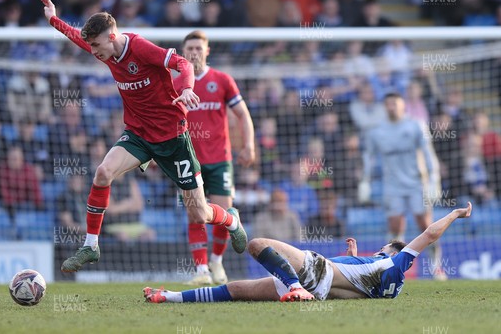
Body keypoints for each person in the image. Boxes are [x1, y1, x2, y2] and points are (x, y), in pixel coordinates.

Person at [40, 0, 248, 272]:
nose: (93, 51)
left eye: (97, 45)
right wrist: (54, 19)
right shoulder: (104, 49)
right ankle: (91, 245)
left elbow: (183, 65)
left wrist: (186, 88)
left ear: (112, 37)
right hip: (138, 134)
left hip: (173, 138)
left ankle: (231, 220)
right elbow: (78, 37)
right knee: (103, 172)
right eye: (91, 46)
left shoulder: (139, 48)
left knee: (199, 212)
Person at [143, 203, 472, 303]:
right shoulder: (389, 287)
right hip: (323, 289)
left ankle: (294, 286)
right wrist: (354, 256)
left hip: (317, 273)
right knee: (235, 290)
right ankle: (169, 297)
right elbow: (358, 281)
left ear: (391, 250)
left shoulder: (395, 259)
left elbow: (428, 233)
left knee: (257, 244)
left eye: (386, 247)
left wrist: (455, 214)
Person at [173, 30, 255, 286]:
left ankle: (217, 262)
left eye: (199, 48)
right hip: (187, 160)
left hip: (220, 159)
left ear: (207, 51)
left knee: (223, 213)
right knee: (195, 215)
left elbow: (243, 114)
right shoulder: (175, 83)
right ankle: (201, 271)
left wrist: (250, 145)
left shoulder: (221, 80)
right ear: (182, 52)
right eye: (190, 48)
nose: (194, 52)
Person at [359, 92, 446, 280]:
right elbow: (369, 156)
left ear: (402, 106)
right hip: (392, 185)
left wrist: (434, 179)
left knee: (425, 225)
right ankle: (392, 267)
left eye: (395, 104)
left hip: (417, 183)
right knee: (395, 226)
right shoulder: (377, 131)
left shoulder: (415, 125)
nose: (391, 107)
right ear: (385, 107)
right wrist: (365, 180)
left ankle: (436, 267)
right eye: (388, 104)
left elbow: (428, 153)